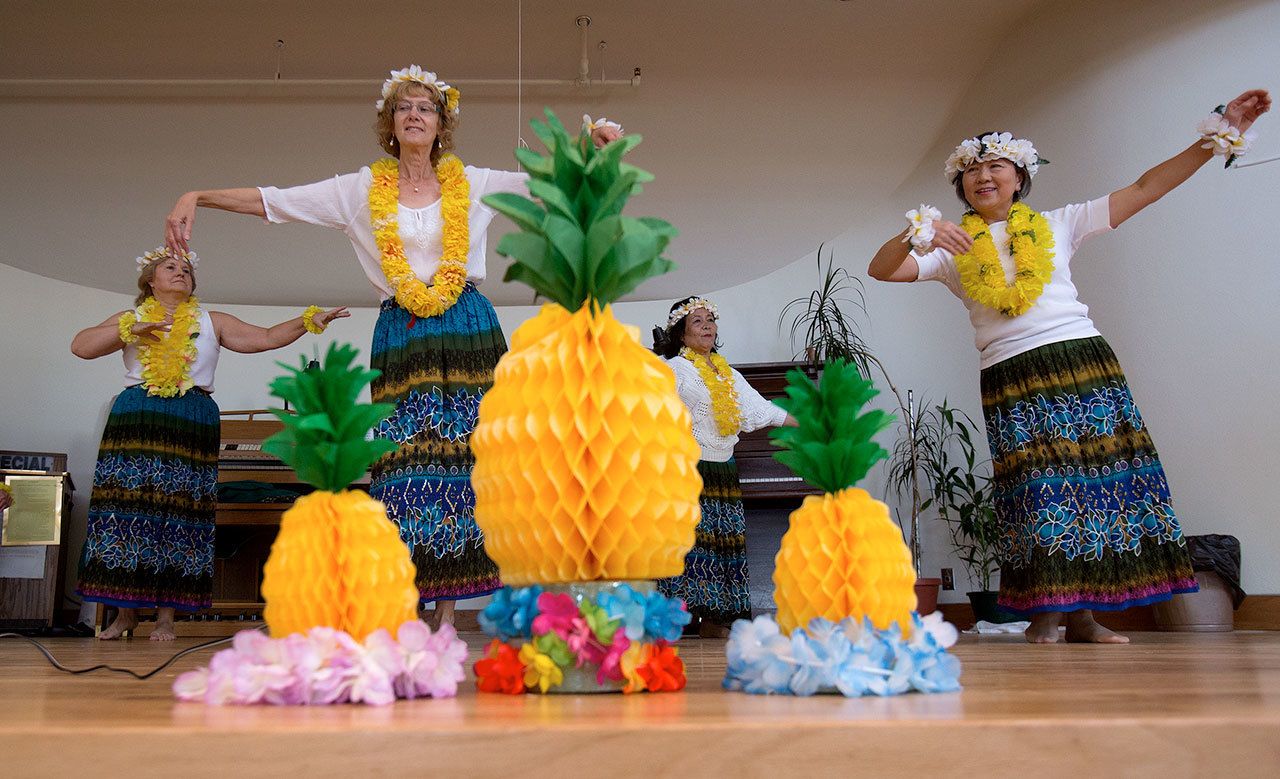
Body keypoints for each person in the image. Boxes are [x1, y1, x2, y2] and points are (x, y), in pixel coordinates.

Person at [163, 66, 622, 627]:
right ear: (389, 121)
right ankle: (411, 604)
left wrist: (589, 147)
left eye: (425, 107)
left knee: (471, 457)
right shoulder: (357, 191)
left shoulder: (471, 183)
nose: (414, 113)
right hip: (402, 334)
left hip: (468, 328)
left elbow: (548, 183)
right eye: (404, 105)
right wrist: (198, 195)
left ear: (440, 122)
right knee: (407, 463)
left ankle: (453, 614)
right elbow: (274, 201)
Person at [868, 89, 1270, 644]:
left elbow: (1145, 188)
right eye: (971, 171)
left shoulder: (1060, 223)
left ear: (1019, 177)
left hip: (1082, 361)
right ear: (959, 186)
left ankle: (1080, 616)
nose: (983, 176)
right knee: (1043, 494)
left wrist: (1215, 137)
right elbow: (881, 269)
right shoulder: (951, 248)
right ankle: (1048, 614)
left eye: (996, 166)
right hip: (1012, 375)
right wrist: (913, 234)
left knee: (1096, 485)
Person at [72, 247, 347, 640]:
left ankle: (167, 617)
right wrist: (129, 331)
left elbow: (266, 338)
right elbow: (80, 346)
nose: (180, 272)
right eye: (170, 267)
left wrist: (309, 321)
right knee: (127, 508)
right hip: (137, 416)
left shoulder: (211, 320)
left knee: (182, 513)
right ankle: (124, 614)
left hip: (192, 417)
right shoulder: (130, 318)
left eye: (186, 268)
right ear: (150, 280)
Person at [653, 297, 796, 638]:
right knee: (690, 546)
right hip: (688, 471)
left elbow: (759, 409)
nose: (707, 327)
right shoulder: (675, 370)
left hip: (723, 470)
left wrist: (807, 423)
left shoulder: (727, 372)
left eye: (710, 320)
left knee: (721, 546)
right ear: (681, 335)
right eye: (697, 322)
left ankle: (716, 622)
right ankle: (672, 622)